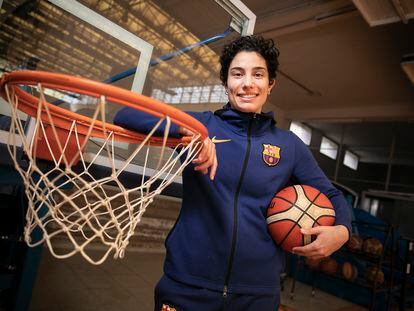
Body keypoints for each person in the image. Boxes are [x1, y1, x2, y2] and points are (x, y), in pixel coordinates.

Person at [114, 35, 351, 311]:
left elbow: (331, 194)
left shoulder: (290, 145)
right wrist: (186, 131)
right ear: (226, 83)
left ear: (270, 84)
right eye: (237, 74)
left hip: (257, 294)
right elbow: (125, 115)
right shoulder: (202, 125)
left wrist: (343, 231)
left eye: (258, 75)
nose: (247, 83)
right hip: (187, 284)